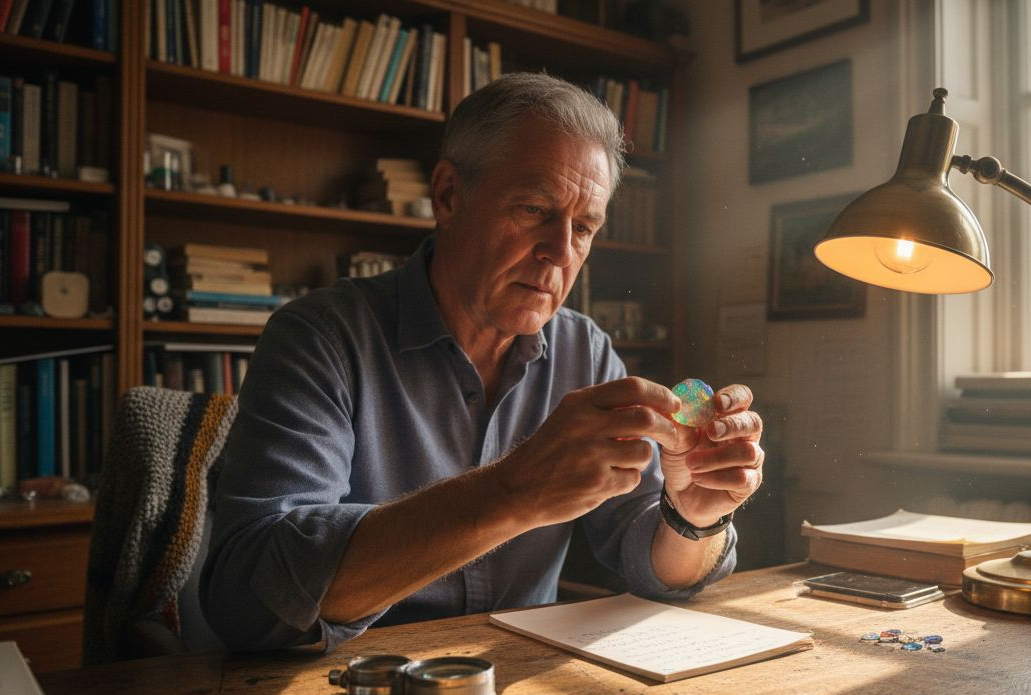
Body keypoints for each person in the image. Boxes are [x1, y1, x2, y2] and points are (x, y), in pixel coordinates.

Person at [200, 73, 765, 652]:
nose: (559, 253)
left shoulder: (585, 350)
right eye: (533, 208)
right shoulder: (321, 337)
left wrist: (693, 519)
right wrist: (510, 493)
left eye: (584, 227)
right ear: (447, 195)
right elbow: (248, 603)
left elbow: (648, 558)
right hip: (343, 692)